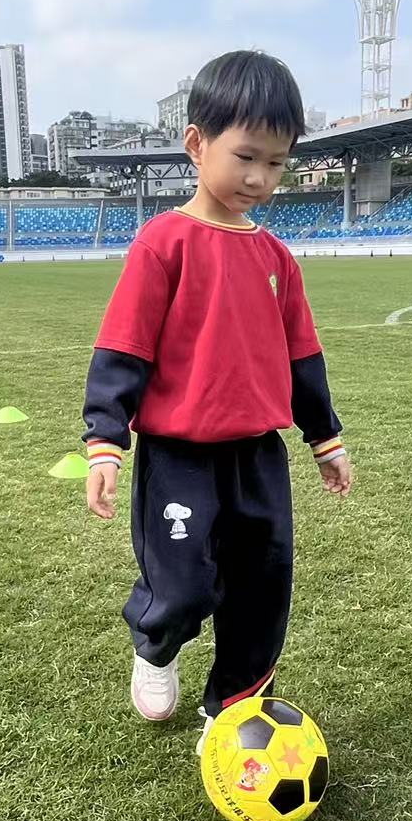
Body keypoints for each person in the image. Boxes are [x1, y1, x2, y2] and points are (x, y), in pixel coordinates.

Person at [80, 50, 353, 754]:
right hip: (178, 458)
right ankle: (157, 644)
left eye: (277, 162)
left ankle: (232, 711)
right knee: (183, 587)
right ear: (197, 144)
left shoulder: (277, 259)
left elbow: (302, 358)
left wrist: (325, 438)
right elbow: (124, 347)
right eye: (246, 157)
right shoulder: (163, 243)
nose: (260, 178)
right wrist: (105, 441)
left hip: (259, 458)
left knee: (262, 588)